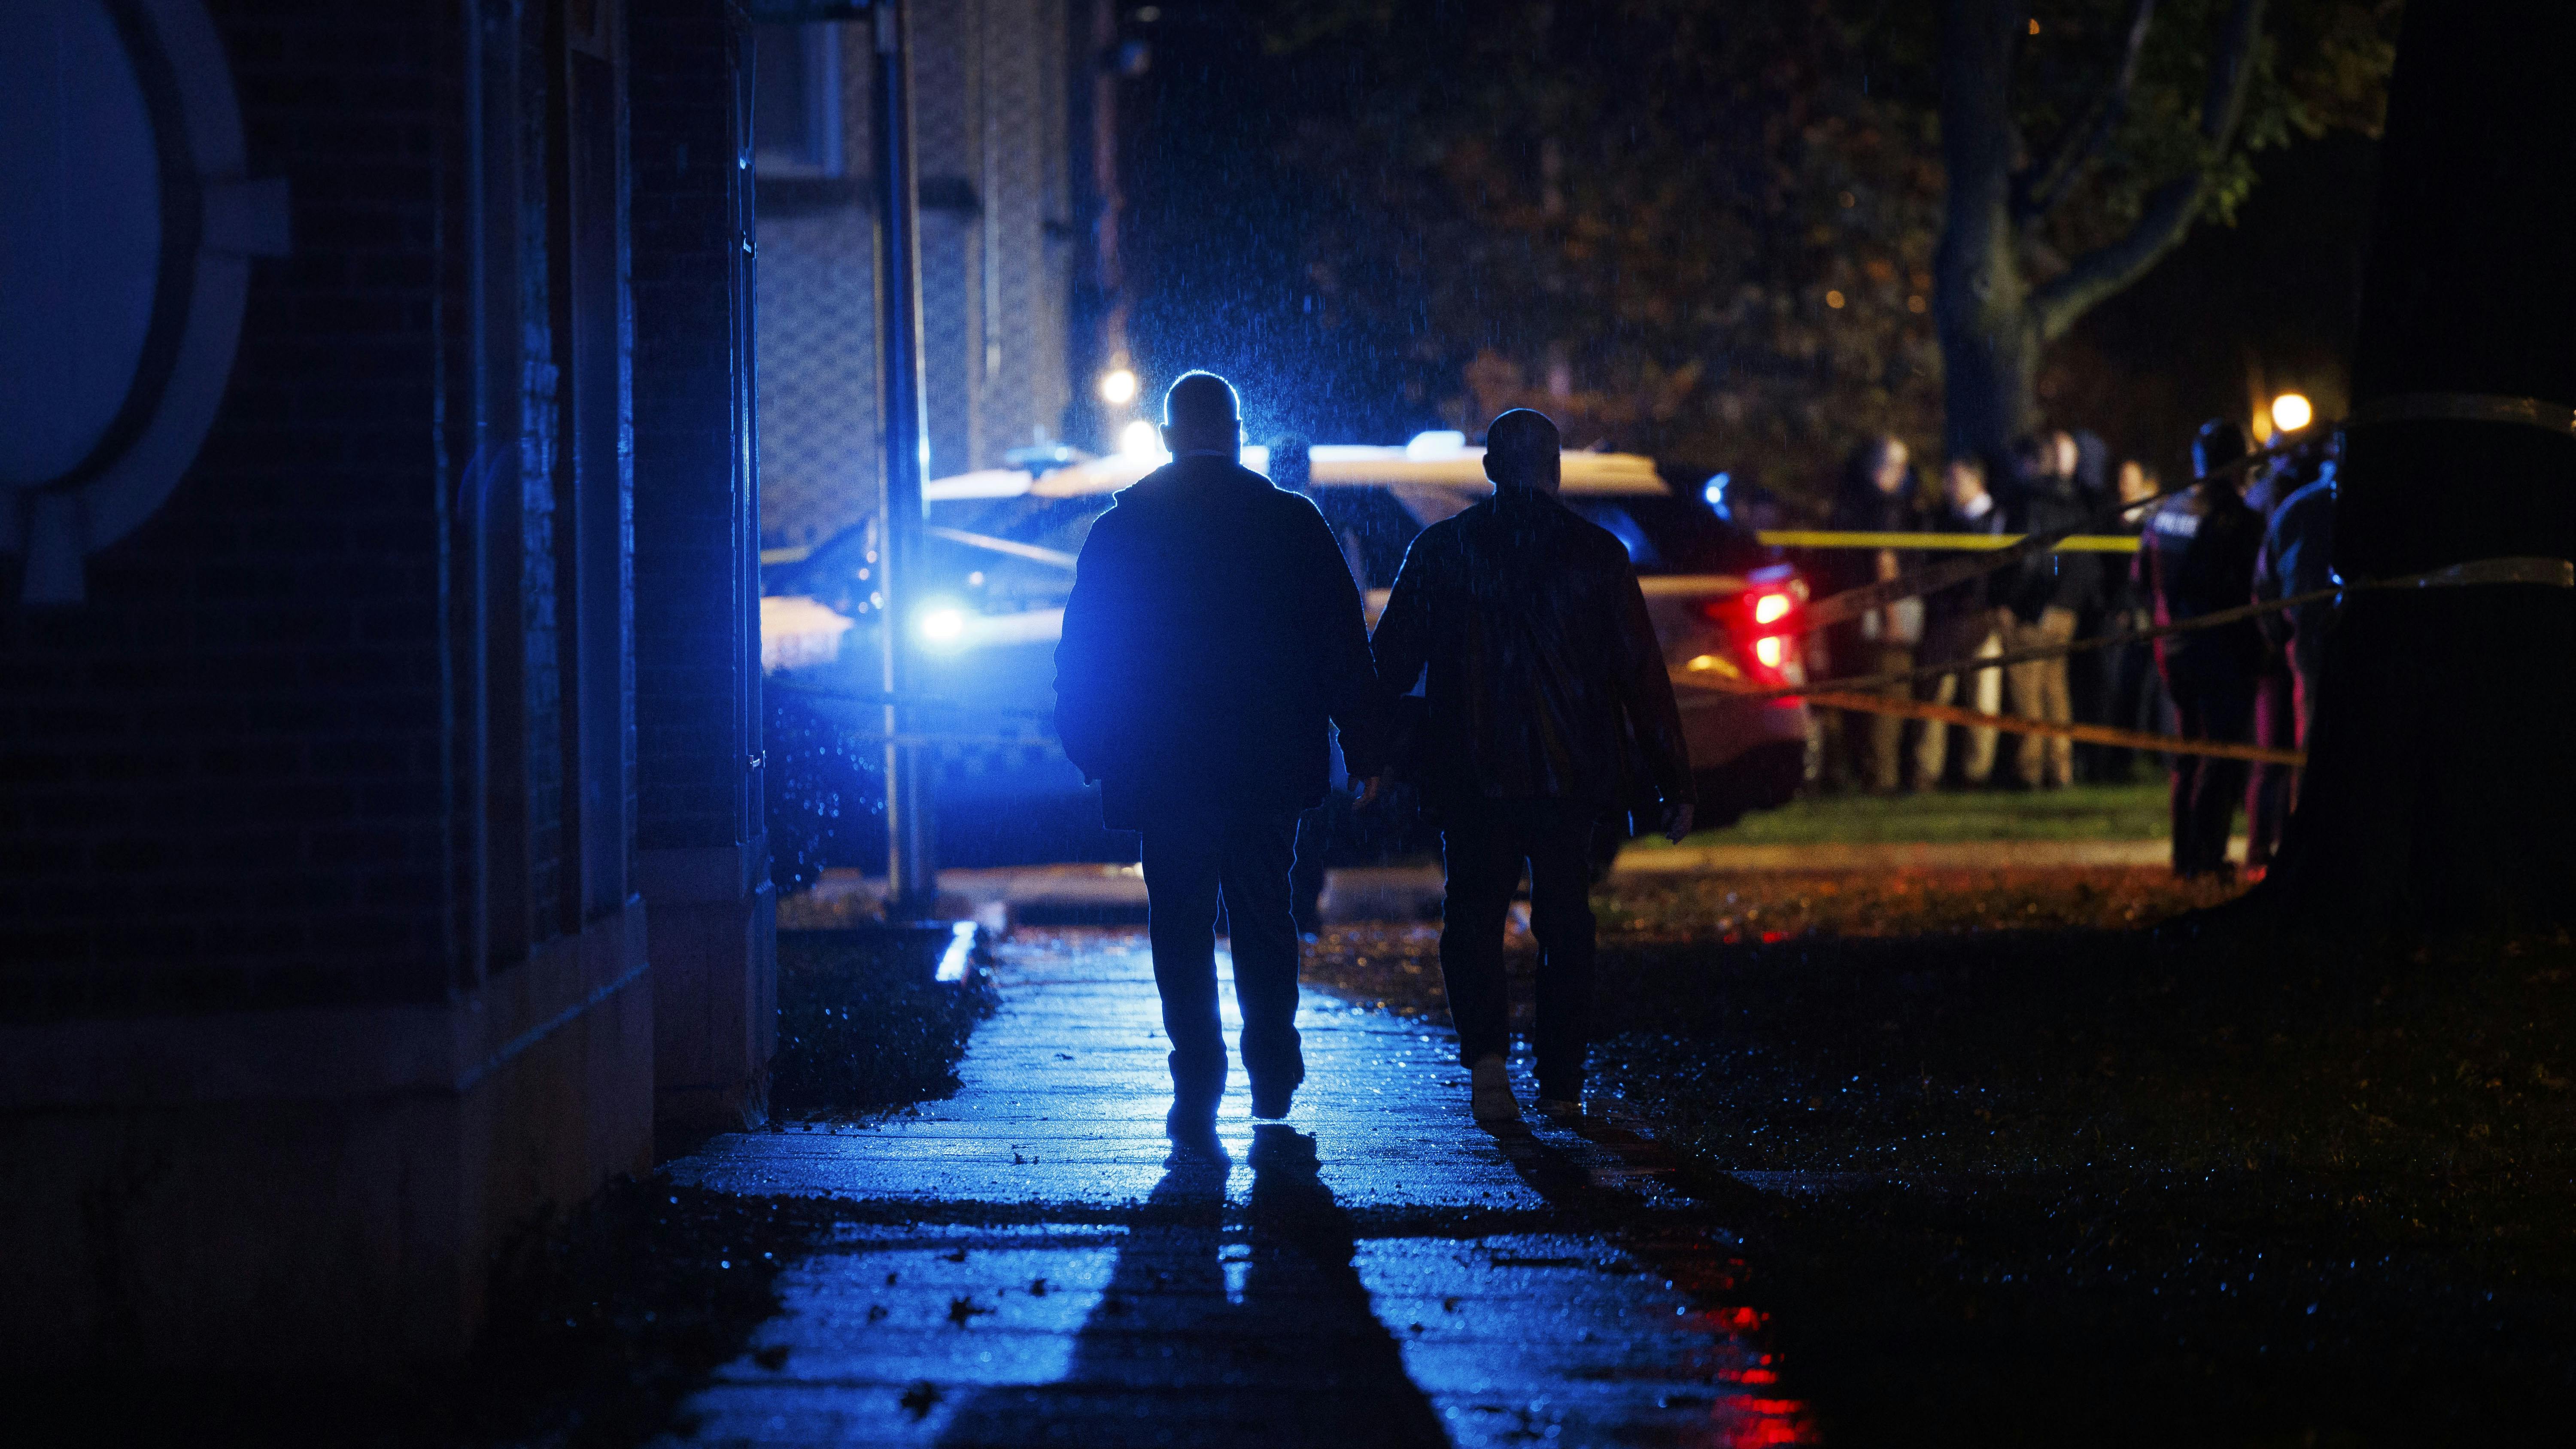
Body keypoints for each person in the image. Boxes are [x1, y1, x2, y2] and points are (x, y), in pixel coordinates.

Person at [1055, 373, 1391, 1152]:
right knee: (1263, 913)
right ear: (1237, 433)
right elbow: (1343, 648)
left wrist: (1090, 743)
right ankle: (1271, 1061)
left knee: (1179, 919)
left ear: (1171, 436)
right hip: (1266, 760)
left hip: (1166, 763)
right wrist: (1367, 744)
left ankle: (1196, 1073)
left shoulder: (1125, 528)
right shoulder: (1289, 523)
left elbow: (1088, 652)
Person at [1370, 409, 1693, 1124]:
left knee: (1474, 916)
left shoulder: (1442, 550)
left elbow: (1389, 666)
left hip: (1471, 773)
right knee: (1566, 922)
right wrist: (1673, 778)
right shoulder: (1597, 555)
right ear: (1555, 470)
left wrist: (1373, 750)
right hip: (1568, 775)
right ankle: (1561, 1077)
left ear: (1489, 470)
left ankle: (1488, 1060)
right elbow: (1641, 675)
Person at [2138, 418, 2266, 880]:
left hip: (2171, 647)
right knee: (2222, 752)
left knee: (2188, 752)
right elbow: (2246, 590)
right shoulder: (2239, 519)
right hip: (2218, 650)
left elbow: (2141, 580)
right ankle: (2205, 857)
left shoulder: (2166, 510)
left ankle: (2183, 856)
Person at [1996, 433, 2101, 789]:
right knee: (2056, 691)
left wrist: (2023, 602)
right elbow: (2075, 562)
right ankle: (2061, 769)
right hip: (2067, 610)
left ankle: (2030, 771)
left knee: (2027, 691)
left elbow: (2043, 561)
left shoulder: (2035, 502)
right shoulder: (2075, 500)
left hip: (2037, 609)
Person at [1823, 436, 1921, 793]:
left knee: (1857, 701)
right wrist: (1893, 620)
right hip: (1879, 620)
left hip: (1848, 619)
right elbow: (1885, 562)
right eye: (1901, 467)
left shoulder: (1847, 506)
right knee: (1891, 698)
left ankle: (1851, 773)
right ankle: (1882, 778)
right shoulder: (1886, 508)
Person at [1914, 456, 2008, 789]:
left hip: (1983, 616)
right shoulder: (1941, 520)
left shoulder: (1998, 519)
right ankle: (1927, 772)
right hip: (1947, 618)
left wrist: (1999, 606)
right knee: (1936, 696)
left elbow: (2003, 571)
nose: (1948, 486)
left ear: (1975, 480)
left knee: (1982, 699)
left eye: (1955, 479)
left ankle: (1976, 774)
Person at [2093, 459, 2170, 781]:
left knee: (2150, 689)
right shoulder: (2108, 521)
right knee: (2113, 688)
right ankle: (2114, 759)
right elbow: (2091, 569)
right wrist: (2108, 607)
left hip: (2146, 617)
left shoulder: (2154, 524)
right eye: (2121, 478)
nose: (2124, 484)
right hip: (2114, 617)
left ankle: (2150, 757)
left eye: (2130, 478)